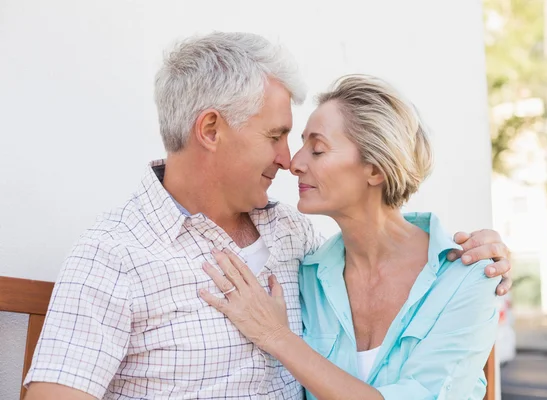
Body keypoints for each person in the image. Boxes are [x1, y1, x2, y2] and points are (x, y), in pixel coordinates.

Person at [24, 33, 511, 400]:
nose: (288, 159)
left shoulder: (296, 240)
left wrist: (481, 253)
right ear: (211, 129)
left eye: (307, 145)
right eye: (276, 136)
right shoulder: (115, 253)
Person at [200, 75, 503, 399]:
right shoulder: (308, 274)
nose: (295, 163)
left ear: (375, 169)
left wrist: (277, 336)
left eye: (317, 150)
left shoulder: (469, 277)